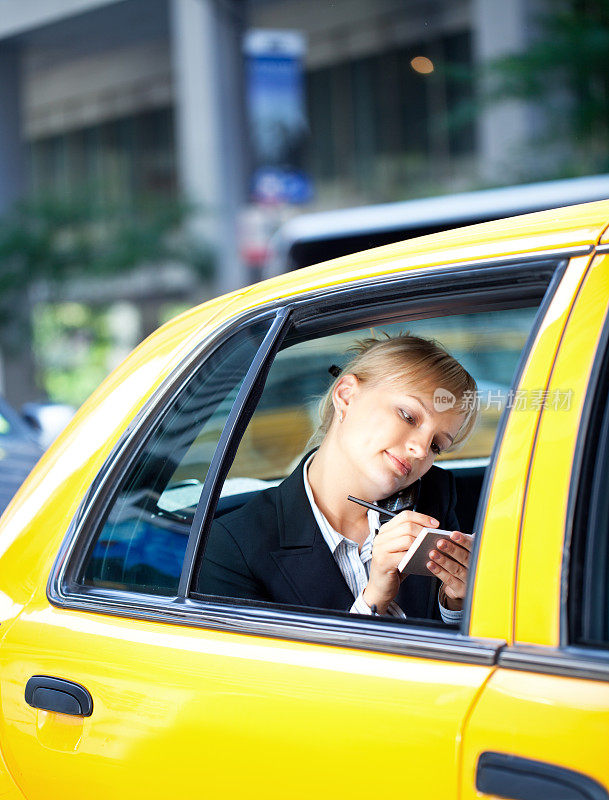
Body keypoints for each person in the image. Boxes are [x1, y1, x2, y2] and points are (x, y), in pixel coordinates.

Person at [198, 334, 479, 622]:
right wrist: (374, 599)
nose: (420, 450)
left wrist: (456, 601)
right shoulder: (232, 547)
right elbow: (268, 667)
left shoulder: (436, 494)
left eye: (436, 446)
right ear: (346, 396)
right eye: (408, 416)